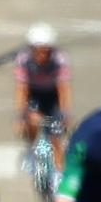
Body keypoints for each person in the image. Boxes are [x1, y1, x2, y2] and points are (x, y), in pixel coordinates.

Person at [14, 22, 71, 152]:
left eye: (46, 52)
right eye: (39, 52)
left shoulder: (60, 59)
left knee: (56, 135)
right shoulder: (23, 59)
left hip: (52, 94)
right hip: (34, 93)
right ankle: (31, 148)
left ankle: (59, 168)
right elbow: (22, 89)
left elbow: (63, 89)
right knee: (32, 122)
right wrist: (21, 117)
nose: (43, 56)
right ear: (32, 50)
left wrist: (65, 114)